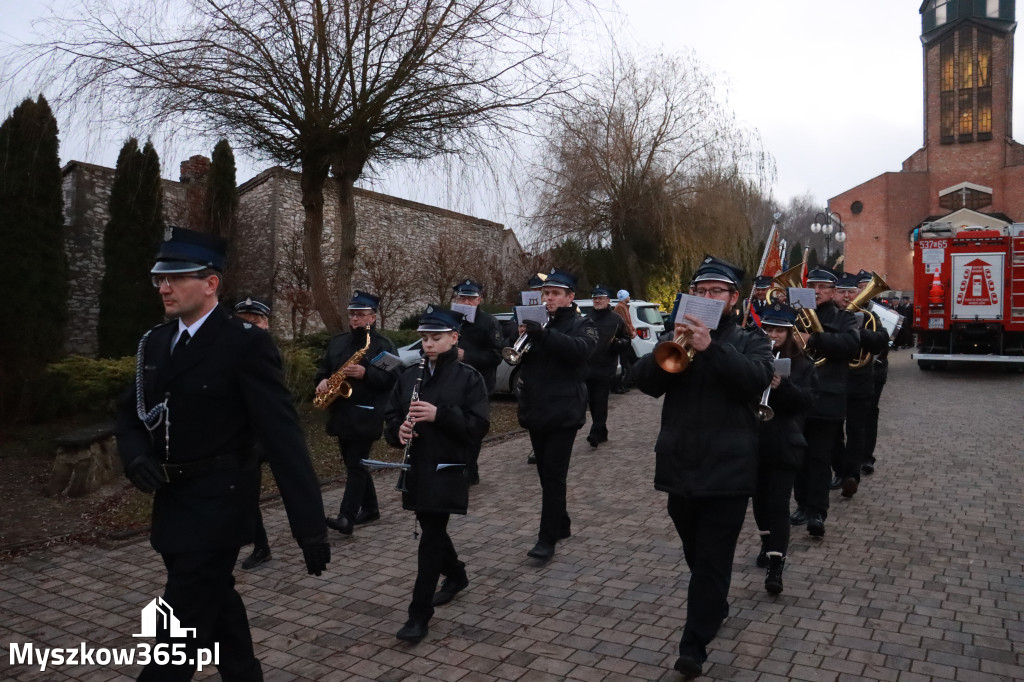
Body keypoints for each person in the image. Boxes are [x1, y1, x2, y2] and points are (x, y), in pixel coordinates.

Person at [116, 227, 329, 681]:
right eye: (159, 278)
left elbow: (283, 438)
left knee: (179, 626)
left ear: (211, 283)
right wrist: (135, 457)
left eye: (176, 278)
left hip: (222, 503)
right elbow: (130, 412)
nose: (163, 287)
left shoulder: (245, 344)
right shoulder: (154, 342)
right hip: (173, 503)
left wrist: (309, 528)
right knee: (216, 598)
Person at [633, 255, 773, 679]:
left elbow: (754, 381)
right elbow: (644, 383)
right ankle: (715, 601)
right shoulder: (678, 336)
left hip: (728, 469)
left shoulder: (753, 340)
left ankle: (693, 646)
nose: (707, 297)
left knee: (712, 560)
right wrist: (671, 346)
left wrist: (711, 348)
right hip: (680, 463)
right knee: (698, 554)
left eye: (716, 292)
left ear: (733, 298)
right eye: (700, 291)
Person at [384, 305, 490, 644]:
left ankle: (419, 614)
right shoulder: (408, 375)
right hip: (416, 466)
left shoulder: (469, 377)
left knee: (430, 536)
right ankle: (456, 574)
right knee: (431, 527)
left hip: (449, 466)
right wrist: (397, 431)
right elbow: (390, 417)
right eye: (425, 338)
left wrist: (438, 414)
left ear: (453, 338)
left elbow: (478, 427)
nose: (428, 344)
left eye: (437, 338)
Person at [517, 268, 598, 561]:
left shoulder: (582, 323)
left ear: (569, 297)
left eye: (555, 294)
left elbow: (580, 351)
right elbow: (524, 364)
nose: (548, 298)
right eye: (546, 293)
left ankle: (546, 538)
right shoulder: (537, 325)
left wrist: (544, 335)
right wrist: (522, 343)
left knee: (553, 477)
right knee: (545, 474)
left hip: (563, 410)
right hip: (536, 407)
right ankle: (561, 523)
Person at [315, 291, 398, 536]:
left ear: (373, 317)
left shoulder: (384, 346)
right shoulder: (338, 341)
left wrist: (366, 374)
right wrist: (321, 381)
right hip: (341, 413)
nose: (355, 319)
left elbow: (393, 378)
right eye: (352, 314)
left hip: (367, 413)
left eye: (360, 315)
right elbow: (324, 368)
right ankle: (371, 509)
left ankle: (346, 517)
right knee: (355, 464)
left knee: (356, 465)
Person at [752, 303, 818, 595]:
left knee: (778, 504)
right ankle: (767, 542)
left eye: (779, 330)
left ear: (789, 333)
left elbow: (807, 401)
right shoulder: (753, 357)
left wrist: (782, 386)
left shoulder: (803, 363)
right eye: (768, 329)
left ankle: (776, 565)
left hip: (784, 441)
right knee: (759, 502)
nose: (773, 335)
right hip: (753, 441)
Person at [790, 268, 859, 538]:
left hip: (827, 396)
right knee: (797, 455)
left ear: (833, 291)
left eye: (822, 287)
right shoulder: (796, 316)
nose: (817, 291)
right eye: (812, 286)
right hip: (797, 394)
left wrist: (814, 339)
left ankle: (817, 512)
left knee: (819, 458)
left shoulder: (845, 318)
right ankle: (802, 505)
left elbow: (850, 345)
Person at [834, 272, 888, 498]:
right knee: (834, 431)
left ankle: (851, 476)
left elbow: (880, 343)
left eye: (850, 291)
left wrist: (857, 332)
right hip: (834, 380)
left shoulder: (870, 316)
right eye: (841, 292)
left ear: (859, 292)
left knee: (856, 430)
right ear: (835, 294)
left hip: (860, 381)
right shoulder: (828, 316)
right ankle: (839, 469)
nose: (846, 296)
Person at [232, 297, 274, 571]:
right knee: (239, 494)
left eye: (255, 321)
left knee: (246, 493)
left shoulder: (266, 352)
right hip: (235, 436)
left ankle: (261, 546)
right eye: (243, 322)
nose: (249, 327)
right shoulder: (228, 349)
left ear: (266, 324)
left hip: (261, 435)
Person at [451, 278, 503, 484]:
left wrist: (468, 356)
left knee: (473, 428)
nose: (466, 301)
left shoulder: (489, 322)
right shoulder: (451, 320)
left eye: (470, 298)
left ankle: (470, 469)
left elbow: (496, 355)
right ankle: (458, 466)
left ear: (479, 300)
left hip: (480, 384)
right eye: (462, 297)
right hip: (454, 382)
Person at [584, 285, 631, 447]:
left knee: (601, 399)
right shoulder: (587, 318)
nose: (597, 301)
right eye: (595, 298)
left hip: (606, 366)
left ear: (608, 300)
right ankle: (602, 431)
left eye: (601, 298)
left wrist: (619, 343)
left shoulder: (616, 319)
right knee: (593, 401)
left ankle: (595, 433)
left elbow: (627, 340)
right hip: (589, 366)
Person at [612, 289, 637, 393]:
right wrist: (631, 333)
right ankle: (617, 386)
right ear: (624, 297)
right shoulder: (620, 307)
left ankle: (620, 386)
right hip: (623, 337)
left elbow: (628, 322)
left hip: (625, 336)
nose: (629, 297)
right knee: (622, 362)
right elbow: (625, 322)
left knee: (624, 361)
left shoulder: (623, 307)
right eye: (628, 296)